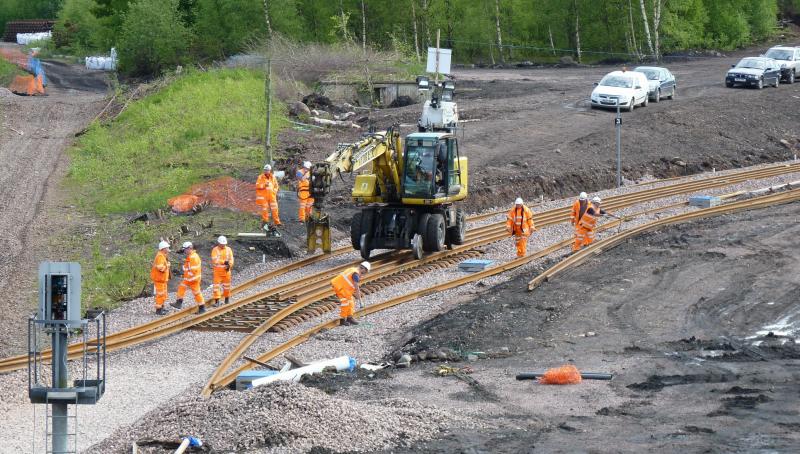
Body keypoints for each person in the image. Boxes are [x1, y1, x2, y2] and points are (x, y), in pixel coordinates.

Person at [330, 261, 370, 326]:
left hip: (343, 288)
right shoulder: (356, 275)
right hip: (341, 288)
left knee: (351, 301)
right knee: (345, 303)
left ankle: (349, 317)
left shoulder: (353, 269)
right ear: (363, 269)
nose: (364, 274)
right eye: (365, 272)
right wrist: (360, 300)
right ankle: (342, 320)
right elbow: (357, 288)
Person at [171, 241, 206, 313]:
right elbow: (189, 267)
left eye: (185, 250)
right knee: (182, 287)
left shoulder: (193, 257)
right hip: (191, 278)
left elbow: (193, 271)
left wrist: (186, 276)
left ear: (189, 248)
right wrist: (184, 269)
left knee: (196, 292)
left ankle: (202, 308)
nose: (184, 251)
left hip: (192, 279)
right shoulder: (192, 256)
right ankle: (179, 303)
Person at [211, 235, 234, 306]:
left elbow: (231, 259)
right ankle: (217, 301)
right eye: (222, 244)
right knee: (216, 287)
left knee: (227, 286)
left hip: (226, 272)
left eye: (224, 244)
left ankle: (227, 300)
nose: (223, 245)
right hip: (218, 272)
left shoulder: (228, 249)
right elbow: (214, 260)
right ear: (219, 243)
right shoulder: (215, 250)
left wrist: (229, 265)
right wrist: (223, 262)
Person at [255, 164, 281, 228]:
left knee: (275, 209)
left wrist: (274, 191)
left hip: (272, 196)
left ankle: (277, 222)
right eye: (265, 170)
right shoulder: (260, 177)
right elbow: (257, 185)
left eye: (267, 170)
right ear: (264, 170)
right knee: (265, 210)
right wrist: (264, 185)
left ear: (270, 170)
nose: (266, 171)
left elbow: (276, 186)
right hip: (264, 197)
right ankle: (265, 222)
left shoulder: (273, 177)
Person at [150, 240, 171, 315]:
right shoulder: (160, 256)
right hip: (159, 279)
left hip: (162, 280)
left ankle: (162, 307)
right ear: (163, 248)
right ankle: (159, 310)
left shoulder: (162, 255)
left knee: (163, 294)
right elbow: (160, 268)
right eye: (167, 248)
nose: (168, 249)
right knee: (160, 294)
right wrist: (167, 266)